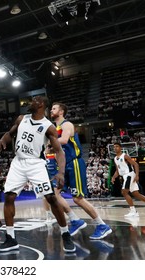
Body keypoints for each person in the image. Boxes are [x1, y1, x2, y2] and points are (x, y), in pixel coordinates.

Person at [0, 96, 75, 253]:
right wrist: (3, 139)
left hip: (36, 164)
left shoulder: (48, 126)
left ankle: (65, 234)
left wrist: (60, 172)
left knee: (51, 198)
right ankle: (10, 238)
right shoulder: (21, 118)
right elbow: (10, 133)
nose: (30, 103)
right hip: (18, 162)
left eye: (33, 101)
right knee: (9, 197)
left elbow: (59, 151)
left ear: (41, 105)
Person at [50, 102, 112, 239]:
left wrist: (49, 142)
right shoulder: (55, 128)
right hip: (64, 165)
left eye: (54, 108)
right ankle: (75, 220)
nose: (51, 110)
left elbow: (65, 140)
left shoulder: (67, 125)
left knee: (78, 198)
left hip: (74, 163)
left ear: (61, 112)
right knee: (54, 195)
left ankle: (102, 225)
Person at [111, 142, 145, 217]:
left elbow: (136, 164)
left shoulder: (125, 156)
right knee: (136, 194)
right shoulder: (115, 158)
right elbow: (118, 171)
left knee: (124, 192)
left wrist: (137, 175)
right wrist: (113, 177)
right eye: (114, 147)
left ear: (120, 148)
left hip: (129, 175)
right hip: (125, 176)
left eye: (117, 146)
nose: (115, 148)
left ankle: (133, 211)